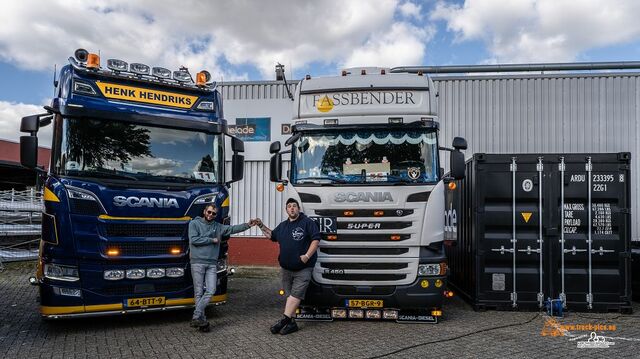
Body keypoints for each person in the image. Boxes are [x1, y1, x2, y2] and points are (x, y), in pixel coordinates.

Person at [256, 198, 320, 335]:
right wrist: (260, 225)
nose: (292, 208)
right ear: (286, 210)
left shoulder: (307, 223)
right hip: (286, 269)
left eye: (294, 206)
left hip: (303, 268)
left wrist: (307, 256)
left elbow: (315, 240)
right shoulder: (283, 226)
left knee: (296, 295)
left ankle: (283, 321)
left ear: (298, 209)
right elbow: (271, 235)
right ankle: (291, 324)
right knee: (289, 295)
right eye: (289, 206)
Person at [188, 203, 258, 328]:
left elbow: (232, 229)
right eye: (209, 212)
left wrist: (248, 225)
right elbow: (194, 240)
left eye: (213, 213)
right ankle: (201, 320)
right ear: (204, 211)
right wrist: (212, 240)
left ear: (215, 215)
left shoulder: (218, 227)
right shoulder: (194, 224)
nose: (210, 215)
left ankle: (196, 316)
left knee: (211, 290)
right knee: (198, 292)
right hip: (197, 262)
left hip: (211, 264)